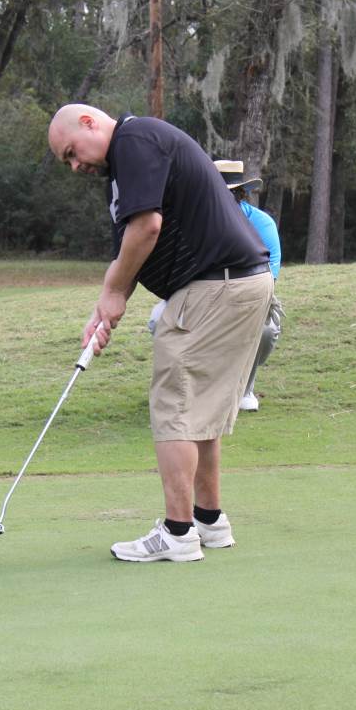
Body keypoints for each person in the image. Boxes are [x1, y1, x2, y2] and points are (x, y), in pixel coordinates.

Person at [47, 104, 273, 563]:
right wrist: (107, 305)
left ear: (90, 123)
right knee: (201, 409)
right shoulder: (130, 161)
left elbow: (148, 227)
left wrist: (113, 292)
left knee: (174, 407)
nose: (75, 165)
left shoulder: (134, 141)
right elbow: (130, 246)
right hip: (241, 282)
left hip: (212, 286)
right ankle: (209, 521)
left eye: (72, 152)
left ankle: (177, 532)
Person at [213, 160, 284, 413]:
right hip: (204, 297)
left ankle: (244, 389)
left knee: (265, 330)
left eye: (232, 193)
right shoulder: (195, 222)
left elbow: (268, 277)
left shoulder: (262, 223)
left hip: (250, 297)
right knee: (159, 320)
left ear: (241, 194)